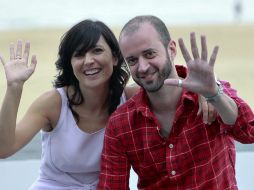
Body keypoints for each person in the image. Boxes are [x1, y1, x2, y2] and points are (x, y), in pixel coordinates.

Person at [0, 19, 213, 190]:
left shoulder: (129, 98)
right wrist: (14, 87)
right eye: (79, 55)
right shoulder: (53, 103)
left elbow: (173, 82)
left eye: (97, 51)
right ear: (70, 64)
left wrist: (206, 92)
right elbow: (5, 148)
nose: (89, 60)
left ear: (114, 57)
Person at [97, 15, 254, 189]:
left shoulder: (210, 91)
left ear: (171, 49)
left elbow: (249, 132)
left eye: (149, 54)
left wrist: (214, 95)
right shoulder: (121, 123)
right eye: (132, 60)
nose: (142, 67)